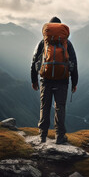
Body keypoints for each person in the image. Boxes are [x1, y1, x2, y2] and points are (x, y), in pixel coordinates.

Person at [31, 16, 78, 144]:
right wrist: (75, 82)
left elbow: (35, 60)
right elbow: (73, 63)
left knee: (44, 107)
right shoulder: (67, 43)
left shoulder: (44, 42)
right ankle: (59, 137)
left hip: (45, 80)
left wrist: (34, 80)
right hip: (62, 81)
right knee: (60, 108)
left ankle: (42, 136)